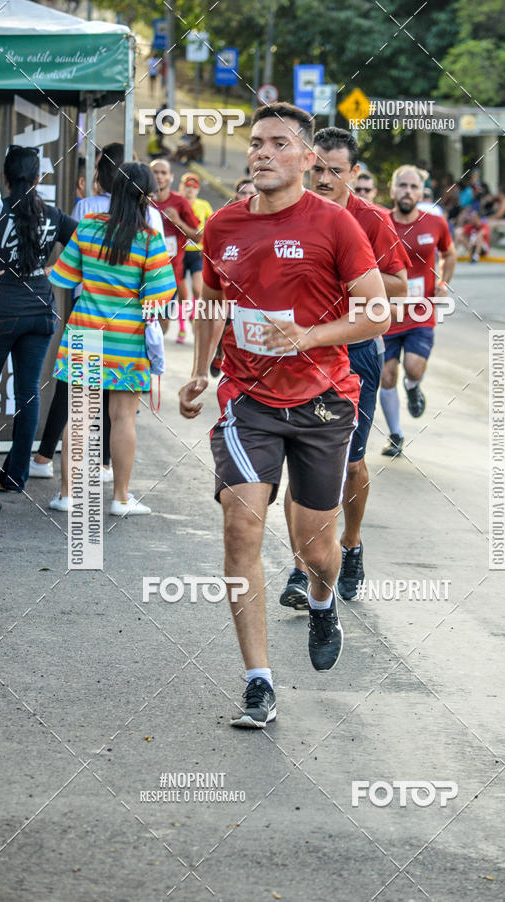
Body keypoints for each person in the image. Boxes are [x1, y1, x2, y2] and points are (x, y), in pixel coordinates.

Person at [178, 102, 389, 728]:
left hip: (325, 401)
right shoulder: (222, 227)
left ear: (306, 158)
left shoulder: (336, 225)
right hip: (248, 401)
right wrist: (201, 368)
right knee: (240, 529)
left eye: (277, 143)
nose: (262, 152)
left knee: (315, 550)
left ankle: (323, 601)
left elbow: (377, 314)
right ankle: (258, 683)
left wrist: (308, 336)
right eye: (255, 143)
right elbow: (213, 301)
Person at [280, 126, 409, 607]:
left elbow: (398, 285)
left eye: (336, 170)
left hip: (357, 352)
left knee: (350, 463)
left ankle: (350, 547)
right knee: (304, 461)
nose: (324, 179)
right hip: (304, 349)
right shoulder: (292, 214)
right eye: (317, 169)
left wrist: (355, 277)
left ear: (354, 173)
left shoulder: (372, 219)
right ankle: (299, 569)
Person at [30, 144, 165, 484]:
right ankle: (120, 497)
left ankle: (67, 495)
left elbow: (64, 276)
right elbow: (158, 297)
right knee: (123, 420)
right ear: (145, 196)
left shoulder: (88, 225)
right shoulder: (149, 240)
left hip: (86, 331)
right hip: (128, 340)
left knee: (77, 417)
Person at [0, 146, 77, 509]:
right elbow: (84, 243)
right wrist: (53, 273)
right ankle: (15, 477)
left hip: (2, 308)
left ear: (6, 177)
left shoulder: (0, 213)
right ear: (38, 178)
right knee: (28, 391)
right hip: (42, 309)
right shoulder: (54, 215)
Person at [380, 165, 457, 456]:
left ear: (421, 193)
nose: (408, 192)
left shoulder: (434, 224)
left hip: (420, 312)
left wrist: (443, 282)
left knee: (414, 367)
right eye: (403, 186)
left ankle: (413, 387)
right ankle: (396, 435)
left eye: (414, 187)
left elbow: (449, 254)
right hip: (385, 313)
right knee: (386, 375)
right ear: (393, 190)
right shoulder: (379, 224)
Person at [149, 159, 201, 336]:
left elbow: (198, 235)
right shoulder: (142, 200)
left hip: (169, 275)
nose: (159, 176)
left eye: (164, 173)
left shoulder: (180, 203)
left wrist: (178, 222)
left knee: (162, 322)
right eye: (155, 172)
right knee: (142, 323)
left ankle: (155, 360)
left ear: (171, 177)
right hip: (143, 273)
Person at [177, 172, 213, 343]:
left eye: (194, 187)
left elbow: (213, 223)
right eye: (187, 186)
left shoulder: (203, 205)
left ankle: (193, 315)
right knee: (184, 295)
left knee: (198, 289)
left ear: (197, 190)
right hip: (180, 253)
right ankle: (183, 328)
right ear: (181, 187)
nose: (190, 190)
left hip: (197, 252)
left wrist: (209, 243)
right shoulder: (176, 202)